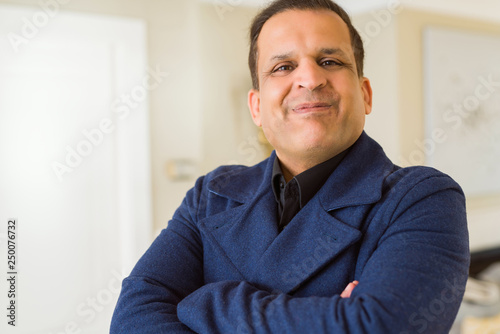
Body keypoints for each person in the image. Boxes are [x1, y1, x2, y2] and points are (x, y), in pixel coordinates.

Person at [110, 0, 470, 333]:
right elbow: (132, 317)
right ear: (256, 107)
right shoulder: (211, 193)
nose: (310, 79)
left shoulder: (423, 198)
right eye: (283, 67)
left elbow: (379, 326)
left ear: (365, 94)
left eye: (330, 61)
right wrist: (329, 315)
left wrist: (208, 301)